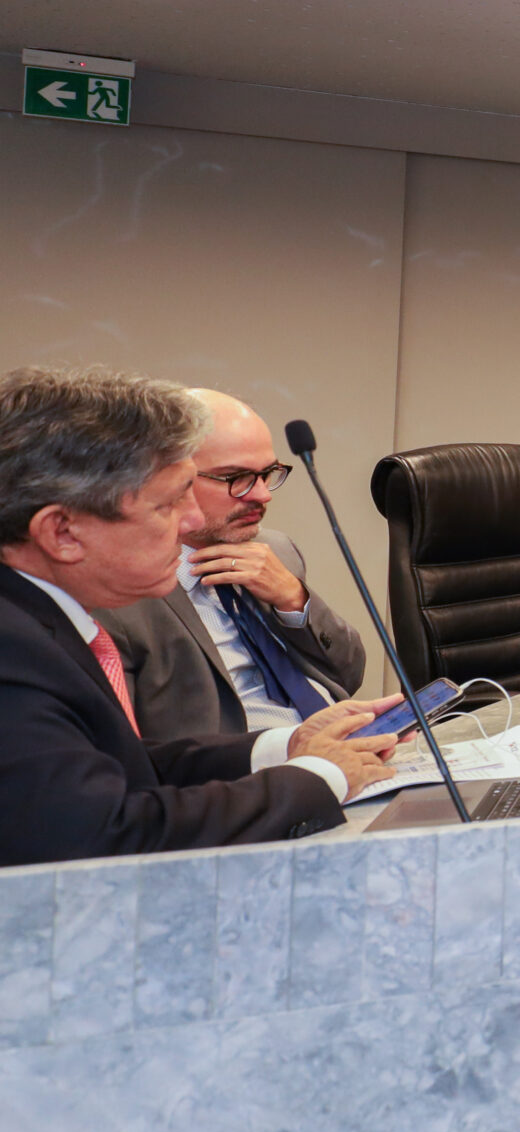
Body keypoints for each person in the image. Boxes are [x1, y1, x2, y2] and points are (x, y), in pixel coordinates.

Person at [0, 365, 400, 866]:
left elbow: (125, 766)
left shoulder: (36, 619)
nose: (190, 520)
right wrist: (319, 778)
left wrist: (287, 745)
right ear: (61, 533)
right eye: (167, 505)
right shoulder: (13, 651)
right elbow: (108, 834)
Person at [97, 389, 367, 740]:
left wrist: (294, 600)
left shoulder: (274, 549)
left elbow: (348, 675)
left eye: (268, 473)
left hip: (343, 738)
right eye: (235, 478)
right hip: (249, 761)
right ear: (164, 479)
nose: (262, 495)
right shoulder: (116, 590)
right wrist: (290, 750)